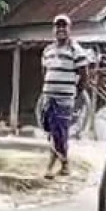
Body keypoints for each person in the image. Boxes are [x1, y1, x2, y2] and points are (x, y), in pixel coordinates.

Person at [40, 14, 89, 178]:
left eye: (64, 26)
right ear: (53, 29)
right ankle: (65, 164)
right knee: (51, 131)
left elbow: (84, 74)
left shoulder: (75, 49)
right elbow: (45, 72)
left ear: (69, 29)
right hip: (48, 98)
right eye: (57, 26)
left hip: (64, 99)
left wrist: (77, 93)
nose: (60, 29)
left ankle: (52, 166)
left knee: (59, 132)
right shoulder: (48, 50)